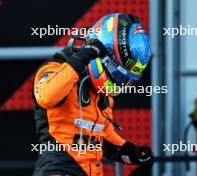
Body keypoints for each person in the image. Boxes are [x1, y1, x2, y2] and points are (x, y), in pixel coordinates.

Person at [33, 13, 153, 176]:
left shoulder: (101, 93)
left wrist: (129, 151)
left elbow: (102, 135)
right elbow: (46, 96)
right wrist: (83, 56)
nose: (120, 83)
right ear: (102, 58)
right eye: (118, 76)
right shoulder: (54, 69)